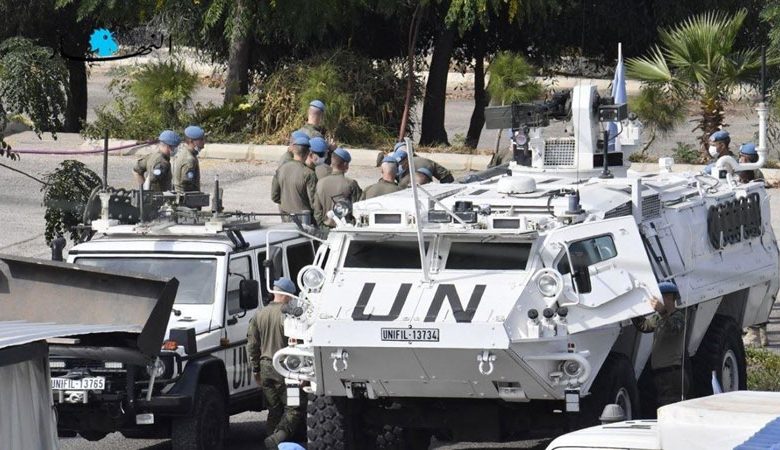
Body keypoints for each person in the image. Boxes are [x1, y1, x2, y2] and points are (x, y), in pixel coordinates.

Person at [247, 277, 304, 448]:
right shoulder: (290, 315)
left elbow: (252, 345)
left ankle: (271, 442)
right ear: (286, 295)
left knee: (274, 409)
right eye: (291, 296)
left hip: (266, 369)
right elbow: (299, 346)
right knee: (294, 408)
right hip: (286, 369)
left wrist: (256, 370)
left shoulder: (259, 314)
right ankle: (277, 439)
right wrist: (302, 373)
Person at [633, 281, 689, 408]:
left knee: (670, 408)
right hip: (663, 375)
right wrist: (634, 311)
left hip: (671, 375)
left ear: (668, 297)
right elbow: (644, 326)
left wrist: (662, 311)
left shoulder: (679, 317)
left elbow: (672, 327)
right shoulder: (660, 318)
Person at [271, 136, 317, 222]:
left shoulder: (281, 169)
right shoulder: (309, 173)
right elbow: (313, 202)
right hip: (304, 219)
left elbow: (274, 196)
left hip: (286, 217)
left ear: (293, 150)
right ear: (308, 153)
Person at [313, 148, 362, 228]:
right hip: (346, 228)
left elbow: (317, 210)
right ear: (345, 164)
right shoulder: (351, 184)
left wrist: (321, 226)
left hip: (326, 227)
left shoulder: (320, 182)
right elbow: (358, 207)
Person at [173, 125, 204, 194]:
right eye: (201, 140)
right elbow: (187, 183)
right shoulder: (189, 159)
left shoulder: (183, 152)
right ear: (191, 141)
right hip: (186, 197)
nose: (203, 142)